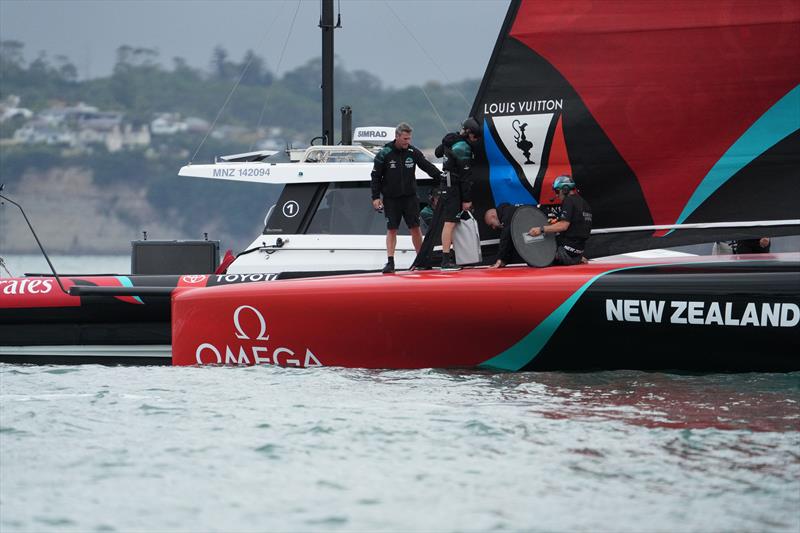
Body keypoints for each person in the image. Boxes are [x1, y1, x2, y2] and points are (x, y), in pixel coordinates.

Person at [371, 122, 444, 273]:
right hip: (391, 198)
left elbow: (427, 166)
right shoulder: (385, 153)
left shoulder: (412, 152)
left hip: (410, 197)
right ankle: (390, 262)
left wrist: (441, 177)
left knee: (415, 228)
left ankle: (421, 259)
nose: (407, 141)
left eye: (409, 138)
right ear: (397, 137)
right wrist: (375, 197)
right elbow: (375, 176)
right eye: (405, 138)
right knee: (392, 229)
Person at [436, 117, 481, 270]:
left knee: (451, 223)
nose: (476, 139)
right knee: (450, 223)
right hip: (453, 187)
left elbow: (437, 152)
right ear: (469, 133)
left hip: (445, 184)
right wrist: (467, 199)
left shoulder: (451, 140)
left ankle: (450, 257)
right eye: (475, 135)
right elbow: (465, 176)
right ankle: (445, 260)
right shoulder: (463, 147)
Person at [527, 175, 592, 265]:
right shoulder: (584, 203)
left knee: (532, 261)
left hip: (566, 251)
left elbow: (563, 225)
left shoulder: (569, 200)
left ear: (565, 189)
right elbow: (576, 226)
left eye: (557, 191)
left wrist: (540, 229)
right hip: (578, 251)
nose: (557, 195)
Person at [485, 203, 523, 268]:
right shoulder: (507, 211)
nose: (493, 228)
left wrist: (500, 259)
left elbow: (505, 238)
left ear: (493, 216)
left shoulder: (507, 215)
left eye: (491, 224)